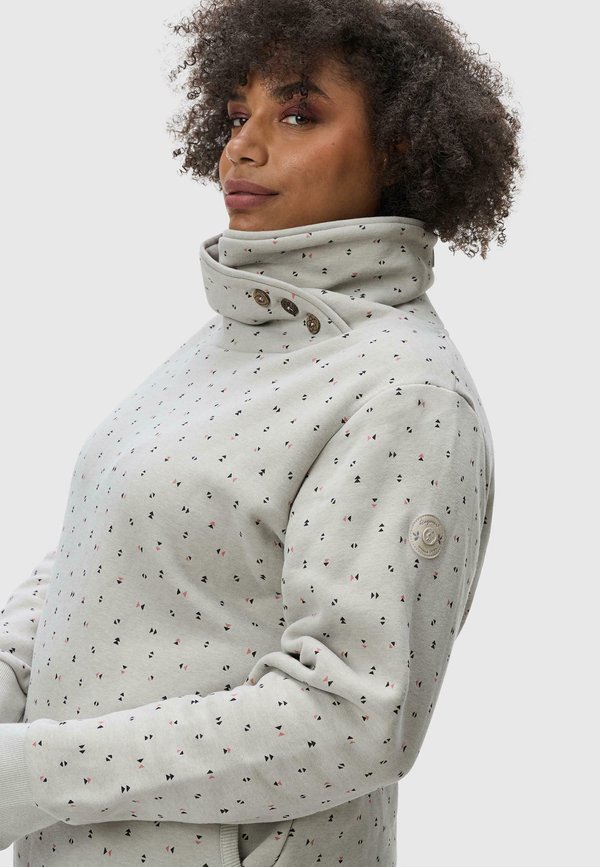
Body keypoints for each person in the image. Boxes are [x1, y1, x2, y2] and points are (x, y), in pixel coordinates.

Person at [0, 0, 523, 864]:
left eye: (298, 114)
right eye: (238, 113)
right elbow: (111, 544)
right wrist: (10, 671)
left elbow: (352, 716)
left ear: (398, 145)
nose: (241, 148)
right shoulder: (232, 336)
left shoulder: (406, 392)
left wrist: (30, 774)